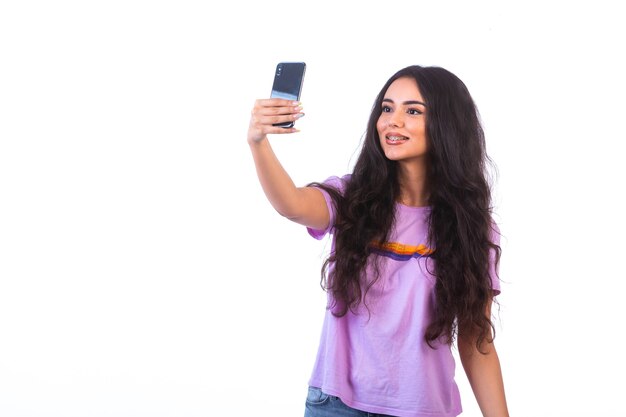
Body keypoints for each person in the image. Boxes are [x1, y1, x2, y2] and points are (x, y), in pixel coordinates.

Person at [247, 65, 509, 417]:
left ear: (447, 125)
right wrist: (258, 142)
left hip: (424, 410)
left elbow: (477, 341)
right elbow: (291, 205)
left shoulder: (472, 228)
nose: (392, 121)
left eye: (412, 110)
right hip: (336, 406)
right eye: (387, 108)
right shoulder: (351, 197)